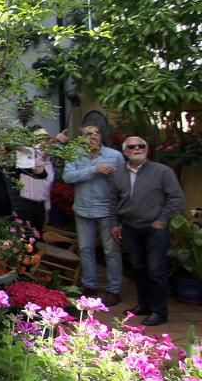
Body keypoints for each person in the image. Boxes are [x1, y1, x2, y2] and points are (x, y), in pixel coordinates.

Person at [106, 136, 183, 327]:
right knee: (138, 268)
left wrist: (162, 220)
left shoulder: (162, 171)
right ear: (125, 152)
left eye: (141, 146)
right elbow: (113, 201)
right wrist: (115, 224)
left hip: (154, 228)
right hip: (131, 227)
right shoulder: (118, 174)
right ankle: (145, 305)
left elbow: (176, 198)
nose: (137, 149)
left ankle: (159, 311)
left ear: (147, 150)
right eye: (132, 147)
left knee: (156, 270)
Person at [62, 125, 126, 306]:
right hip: (83, 209)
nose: (93, 137)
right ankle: (89, 286)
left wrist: (113, 175)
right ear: (82, 138)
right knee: (85, 249)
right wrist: (93, 169)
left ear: (101, 136)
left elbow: (124, 182)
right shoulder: (75, 154)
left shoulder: (115, 156)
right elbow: (67, 177)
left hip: (107, 210)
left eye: (96, 133)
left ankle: (114, 290)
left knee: (111, 251)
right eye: (88, 134)